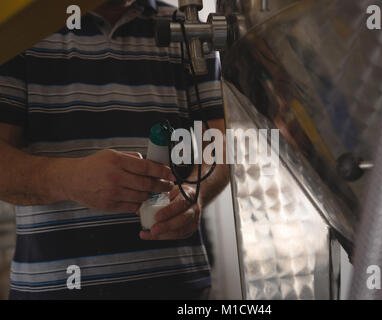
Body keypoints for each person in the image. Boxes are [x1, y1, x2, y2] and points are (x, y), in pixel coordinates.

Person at [0, 0, 229, 299]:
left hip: (176, 289)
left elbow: (221, 150)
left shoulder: (187, 30)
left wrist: (192, 195)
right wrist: (68, 180)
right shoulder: (23, 31)